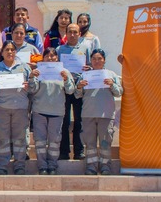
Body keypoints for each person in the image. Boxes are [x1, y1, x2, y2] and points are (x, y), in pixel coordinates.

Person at [74, 49, 123, 175]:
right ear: (91, 60)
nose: (97, 61)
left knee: (105, 143)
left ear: (104, 60)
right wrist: (79, 86)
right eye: (94, 59)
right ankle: (91, 166)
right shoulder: (84, 75)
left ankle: (105, 166)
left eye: (99, 58)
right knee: (90, 144)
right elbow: (77, 95)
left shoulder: (111, 75)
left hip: (106, 114)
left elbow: (119, 92)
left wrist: (112, 85)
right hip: (88, 114)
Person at [0, 40, 32, 175]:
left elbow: (33, 87)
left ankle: (19, 165)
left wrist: (29, 86)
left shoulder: (24, 67)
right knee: (3, 138)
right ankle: (2, 165)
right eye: (7, 50)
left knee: (20, 138)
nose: (10, 52)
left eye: (12, 50)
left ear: (15, 52)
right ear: (2, 52)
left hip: (20, 108)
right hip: (2, 108)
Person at [27, 47, 75, 175]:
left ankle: (52, 165)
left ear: (57, 58)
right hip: (39, 110)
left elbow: (70, 90)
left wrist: (66, 79)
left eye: (53, 56)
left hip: (57, 111)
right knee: (40, 141)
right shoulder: (38, 71)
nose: (50, 58)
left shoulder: (64, 72)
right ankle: (42, 165)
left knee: (54, 141)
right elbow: (32, 90)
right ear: (43, 58)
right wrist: (32, 78)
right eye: (47, 56)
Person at [56, 23, 93, 161]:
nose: (72, 35)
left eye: (75, 32)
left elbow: (91, 66)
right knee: (64, 122)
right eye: (70, 32)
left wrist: (87, 69)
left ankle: (79, 151)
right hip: (64, 89)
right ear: (66, 33)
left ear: (79, 34)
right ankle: (64, 152)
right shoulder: (60, 49)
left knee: (79, 121)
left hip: (80, 89)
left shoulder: (85, 48)